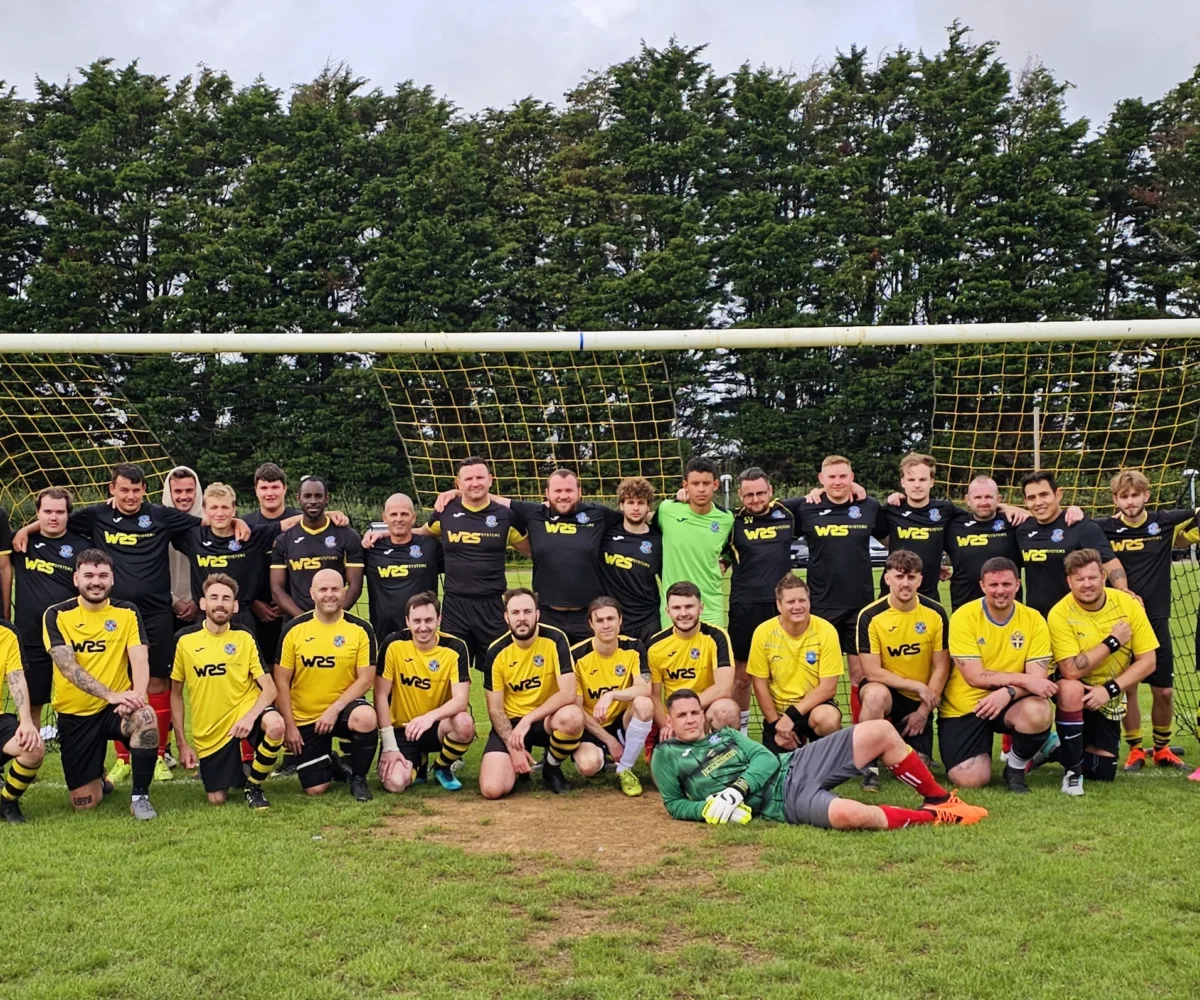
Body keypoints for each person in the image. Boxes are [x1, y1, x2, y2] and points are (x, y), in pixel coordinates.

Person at [22, 463, 250, 783]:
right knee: (119, 683)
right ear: (112, 489)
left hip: (156, 611)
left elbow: (208, 520)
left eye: (136, 490)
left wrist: (237, 519)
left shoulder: (159, 515)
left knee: (156, 682)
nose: (130, 496)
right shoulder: (96, 515)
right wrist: (25, 530)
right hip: (112, 613)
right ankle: (123, 758)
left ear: (145, 490)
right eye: (124, 489)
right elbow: (55, 522)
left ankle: (157, 754)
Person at [651, 689, 988, 829]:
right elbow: (673, 804)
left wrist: (736, 790)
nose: (691, 719)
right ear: (670, 720)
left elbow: (767, 760)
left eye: (695, 711)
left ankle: (941, 798)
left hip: (794, 765)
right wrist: (707, 809)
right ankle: (934, 817)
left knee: (880, 730)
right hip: (783, 801)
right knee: (851, 814)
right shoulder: (665, 757)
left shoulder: (726, 734)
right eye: (682, 715)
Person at [43, 549, 160, 820]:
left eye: (103, 575)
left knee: (146, 717)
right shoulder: (57, 614)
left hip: (116, 711)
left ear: (112, 579)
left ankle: (140, 797)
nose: (96, 581)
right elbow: (67, 666)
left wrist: (137, 697)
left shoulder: (126, 612)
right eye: (89, 575)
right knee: (85, 803)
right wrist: (110, 694)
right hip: (76, 715)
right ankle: (99, 776)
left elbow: (140, 658)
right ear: (76, 579)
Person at [1095, 469, 1195, 770]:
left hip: (1157, 617)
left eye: (1134, 494)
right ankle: (1136, 748)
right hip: (1121, 621)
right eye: (1123, 496)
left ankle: (1163, 749)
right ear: (1115, 499)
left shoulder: (1163, 523)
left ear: (1146, 495)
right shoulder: (1105, 528)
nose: (1130, 501)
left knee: (1163, 690)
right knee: (1128, 688)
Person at [1047, 549, 1158, 796]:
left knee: (1103, 772)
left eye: (1092, 577)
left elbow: (1148, 661)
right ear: (1069, 582)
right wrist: (1112, 642)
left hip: (1107, 691)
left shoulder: (1127, 604)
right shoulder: (1059, 613)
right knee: (1071, 687)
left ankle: (1052, 748)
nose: (1087, 584)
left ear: (1104, 576)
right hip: (1073, 688)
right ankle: (1073, 772)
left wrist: (1109, 690)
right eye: (1079, 579)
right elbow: (1071, 670)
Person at [941, 557, 1057, 793]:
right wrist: (1021, 681)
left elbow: (1038, 679)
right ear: (982, 586)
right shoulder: (964, 617)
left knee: (1039, 710)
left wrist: (1009, 692)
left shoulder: (1034, 619)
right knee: (971, 779)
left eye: (1006, 584)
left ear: (1018, 584)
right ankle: (1041, 747)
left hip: (1010, 702)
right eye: (993, 585)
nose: (1000, 591)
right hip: (965, 706)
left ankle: (1015, 766)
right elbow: (975, 677)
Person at [169, 574, 285, 808]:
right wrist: (182, 742)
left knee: (275, 725)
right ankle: (234, 773)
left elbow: (270, 689)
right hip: (210, 728)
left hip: (245, 711)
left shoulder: (244, 636)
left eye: (226, 598)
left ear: (234, 605)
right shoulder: (184, 640)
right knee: (217, 799)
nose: (220, 603)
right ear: (203, 603)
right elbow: (175, 694)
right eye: (214, 598)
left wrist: (250, 717)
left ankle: (254, 787)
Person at [275, 568, 378, 802]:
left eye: (335, 589)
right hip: (306, 716)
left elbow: (366, 678)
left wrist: (334, 709)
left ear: (344, 592)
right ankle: (332, 761)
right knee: (316, 789)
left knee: (365, 717)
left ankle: (359, 779)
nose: (329, 595)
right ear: (312, 593)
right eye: (323, 589)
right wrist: (290, 726)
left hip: (342, 711)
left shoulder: (361, 629)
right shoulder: (294, 629)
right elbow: (281, 680)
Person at [855, 550, 950, 789]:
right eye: (899, 577)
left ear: (920, 579)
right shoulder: (870, 616)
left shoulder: (936, 613)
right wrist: (917, 685)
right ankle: (869, 766)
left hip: (919, 701)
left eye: (911, 577)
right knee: (875, 694)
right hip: (887, 691)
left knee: (917, 770)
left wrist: (923, 711)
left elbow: (941, 667)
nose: (905, 583)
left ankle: (898, 749)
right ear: (887, 578)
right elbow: (872, 672)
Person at [423, 457, 527, 670]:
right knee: (448, 671)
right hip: (455, 606)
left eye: (480, 477)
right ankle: (457, 705)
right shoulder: (446, 511)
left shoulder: (507, 516)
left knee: (500, 671)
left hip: (493, 606)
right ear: (458, 484)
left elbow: (537, 552)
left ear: (491, 480)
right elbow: (420, 533)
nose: (475, 483)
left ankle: (499, 706)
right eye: (468, 478)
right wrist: (381, 533)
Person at [795, 455, 883, 706]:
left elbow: (894, 538)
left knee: (861, 675)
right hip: (821, 607)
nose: (837, 482)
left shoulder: (869, 507)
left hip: (860, 607)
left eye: (843, 476)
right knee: (817, 677)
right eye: (831, 477)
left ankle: (860, 737)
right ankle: (818, 739)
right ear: (821, 479)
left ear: (852, 478)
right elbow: (767, 509)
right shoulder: (805, 507)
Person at [724, 467, 805, 736]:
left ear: (770, 491)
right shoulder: (730, 522)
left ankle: (789, 729)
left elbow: (825, 498)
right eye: (749, 495)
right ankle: (741, 734)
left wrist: (854, 489)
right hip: (745, 606)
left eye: (760, 493)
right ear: (739, 495)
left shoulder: (789, 513)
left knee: (786, 671)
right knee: (742, 676)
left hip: (782, 607)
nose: (755, 499)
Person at [478, 588, 582, 798]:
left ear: (537, 614)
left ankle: (551, 767)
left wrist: (528, 720)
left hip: (545, 719)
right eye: (515, 613)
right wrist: (512, 745)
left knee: (572, 716)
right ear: (506, 617)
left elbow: (568, 693)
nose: (522, 618)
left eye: (527, 611)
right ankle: (517, 767)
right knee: (492, 789)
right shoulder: (496, 652)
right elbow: (495, 710)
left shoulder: (556, 639)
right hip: (512, 725)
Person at [374, 592, 474, 793]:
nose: (423, 627)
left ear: (439, 619)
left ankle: (441, 767)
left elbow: (461, 700)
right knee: (395, 784)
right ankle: (417, 763)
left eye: (429, 620)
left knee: (464, 723)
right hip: (402, 729)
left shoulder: (455, 647)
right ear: (407, 621)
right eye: (417, 621)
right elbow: (380, 695)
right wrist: (389, 745)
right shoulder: (393, 645)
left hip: (435, 726)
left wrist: (429, 718)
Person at [7, 487, 90, 727]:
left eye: (60, 512)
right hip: (30, 634)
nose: (53, 517)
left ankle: (84, 759)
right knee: (32, 701)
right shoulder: (20, 542)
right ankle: (30, 758)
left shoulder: (83, 545)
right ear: (37, 513)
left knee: (79, 698)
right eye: (47, 511)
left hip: (70, 634)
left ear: (68, 515)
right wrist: (24, 530)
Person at [173, 483, 289, 639]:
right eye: (214, 508)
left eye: (225, 507)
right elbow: (163, 523)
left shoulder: (250, 535)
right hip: (206, 617)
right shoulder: (193, 537)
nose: (219, 513)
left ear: (234, 509)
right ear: (205, 509)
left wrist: (328, 515)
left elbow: (289, 524)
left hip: (242, 616)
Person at [747, 575, 842, 755]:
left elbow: (829, 687)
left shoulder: (826, 630)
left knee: (827, 719)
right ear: (779, 604)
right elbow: (759, 684)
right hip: (778, 715)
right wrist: (777, 725)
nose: (797, 606)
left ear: (809, 601)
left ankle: (823, 752)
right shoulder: (763, 632)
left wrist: (792, 715)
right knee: (775, 771)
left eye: (802, 600)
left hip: (813, 708)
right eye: (791, 602)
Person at [570, 596, 654, 797]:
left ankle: (624, 768)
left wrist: (611, 695)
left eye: (611, 619)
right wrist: (609, 741)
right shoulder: (576, 655)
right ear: (591, 624)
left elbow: (644, 688)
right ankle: (605, 757)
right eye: (600, 620)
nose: (606, 625)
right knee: (588, 766)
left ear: (620, 620)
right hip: (592, 725)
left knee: (644, 704)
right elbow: (577, 708)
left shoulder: (634, 647)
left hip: (622, 721)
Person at [1016, 471, 1130, 616]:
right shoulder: (1022, 531)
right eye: (1032, 498)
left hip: (1077, 618)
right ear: (1025, 501)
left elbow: (1110, 562)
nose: (1038, 502)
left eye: (1044, 495)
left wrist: (1123, 592)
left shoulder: (1081, 526)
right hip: (1038, 619)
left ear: (1058, 495)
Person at [646, 581, 738, 737]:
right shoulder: (655, 645)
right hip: (676, 716)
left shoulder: (717, 637)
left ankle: (723, 757)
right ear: (668, 611)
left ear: (701, 608)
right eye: (676, 608)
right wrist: (667, 725)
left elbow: (724, 688)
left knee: (726, 710)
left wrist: (690, 710)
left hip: (705, 711)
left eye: (689, 606)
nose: (683, 613)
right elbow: (654, 695)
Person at [653, 457, 734, 627]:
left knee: (712, 653)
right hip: (674, 607)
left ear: (716, 485)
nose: (701, 489)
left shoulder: (726, 519)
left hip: (710, 605)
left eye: (706, 483)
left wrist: (726, 561)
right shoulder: (667, 510)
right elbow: (648, 535)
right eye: (695, 484)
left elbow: (734, 548)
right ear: (685, 485)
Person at [270, 476, 364, 620]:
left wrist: (332, 615)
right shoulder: (283, 540)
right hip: (297, 622)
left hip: (335, 621)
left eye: (318, 496)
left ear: (327, 498)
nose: (313, 501)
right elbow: (277, 589)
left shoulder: (348, 536)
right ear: (298, 498)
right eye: (307, 496)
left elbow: (355, 586)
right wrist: (304, 620)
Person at [875, 454, 957, 602]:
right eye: (911, 480)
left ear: (932, 482)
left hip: (928, 595)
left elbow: (980, 514)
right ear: (903, 482)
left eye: (922, 479)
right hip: (892, 595)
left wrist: (1003, 507)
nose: (917, 485)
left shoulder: (945, 510)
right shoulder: (890, 510)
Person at [242, 463, 301, 665]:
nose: (270, 493)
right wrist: (254, 603)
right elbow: (236, 570)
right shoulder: (244, 525)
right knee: (260, 673)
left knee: (293, 675)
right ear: (256, 490)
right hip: (254, 612)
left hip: (294, 610)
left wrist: (287, 604)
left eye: (275, 487)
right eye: (264, 488)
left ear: (284, 488)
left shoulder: (301, 522)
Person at [364, 494, 441, 641]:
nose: (399, 519)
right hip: (384, 634)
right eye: (393, 514)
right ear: (384, 518)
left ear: (413, 517)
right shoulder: (370, 547)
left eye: (404, 514)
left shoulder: (430, 545)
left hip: (422, 631)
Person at [942, 476, 1025, 612]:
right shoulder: (953, 525)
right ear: (967, 500)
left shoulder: (1013, 522)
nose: (983, 502)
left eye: (989, 497)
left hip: (1007, 610)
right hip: (965, 609)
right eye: (978, 497)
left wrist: (1072, 510)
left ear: (998, 499)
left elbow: (1041, 520)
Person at [599, 476, 663, 644]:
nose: (636, 508)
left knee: (651, 669)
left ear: (648, 506)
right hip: (615, 621)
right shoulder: (605, 534)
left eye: (641, 503)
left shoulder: (659, 540)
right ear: (621, 505)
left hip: (648, 620)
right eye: (630, 502)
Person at [0, 618, 45, 823]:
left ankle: (7, 801)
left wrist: (26, 721)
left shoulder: (6, 633)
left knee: (32, 747)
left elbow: (16, 678)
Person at [163, 465, 204, 630]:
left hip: (202, 607)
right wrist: (173, 601)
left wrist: (198, 600)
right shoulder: (156, 523)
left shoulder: (210, 524)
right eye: (178, 491)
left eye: (189, 491)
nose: (184, 496)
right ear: (169, 492)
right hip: (165, 606)